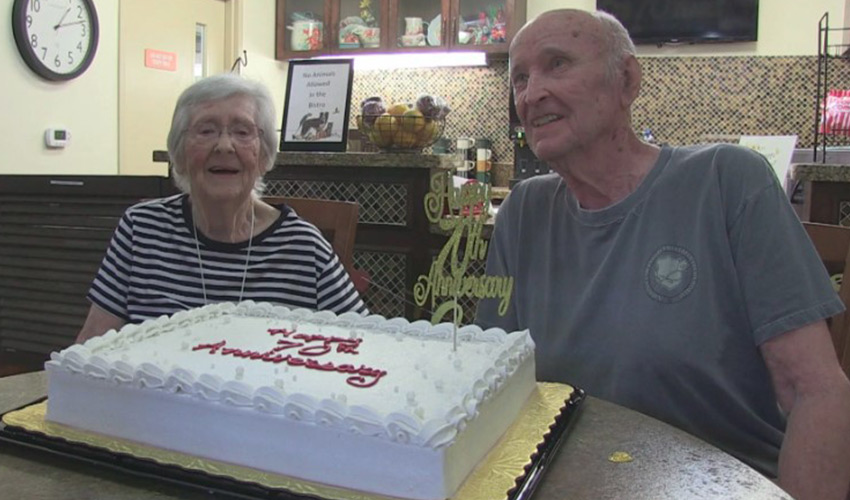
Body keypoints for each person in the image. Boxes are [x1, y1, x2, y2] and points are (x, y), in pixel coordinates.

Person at [475, 9, 850, 500]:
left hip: (725, 485)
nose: (531, 93)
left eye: (557, 64)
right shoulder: (523, 211)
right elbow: (494, 384)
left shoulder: (726, 181)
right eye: (520, 78)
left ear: (627, 80)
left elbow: (817, 393)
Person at [76, 74, 367, 343]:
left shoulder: (304, 248)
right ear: (178, 153)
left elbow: (364, 345)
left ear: (263, 155)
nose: (225, 146)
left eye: (242, 132)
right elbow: (92, 347)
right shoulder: (141, 230)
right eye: (206, 130)